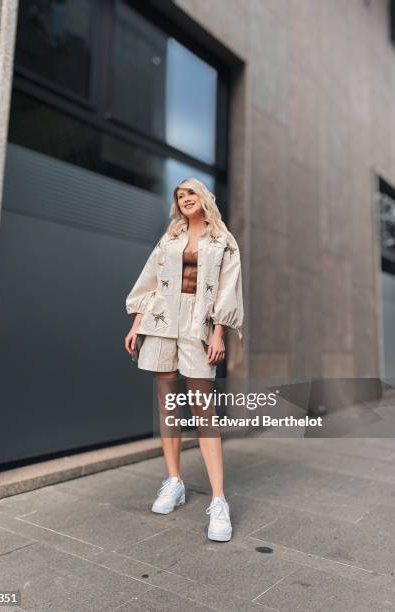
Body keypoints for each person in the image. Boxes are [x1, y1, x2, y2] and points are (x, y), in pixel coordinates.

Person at [124, 177, 244, 542]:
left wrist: (219, 332)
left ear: (203, 197)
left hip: (198, 324)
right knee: (168, 407)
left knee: (202, 409)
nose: (185, 199)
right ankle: (174, 481)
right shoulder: (170, 237)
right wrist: (137, 324)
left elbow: (228, 287)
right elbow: (151, 281)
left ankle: (218, 500)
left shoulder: (222, 240)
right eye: (180, 195)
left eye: (191, 193)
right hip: (162, 321)